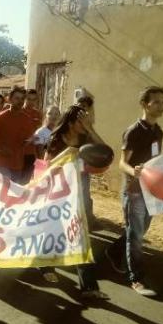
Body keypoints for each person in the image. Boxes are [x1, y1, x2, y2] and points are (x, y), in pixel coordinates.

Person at [105, 86, 163, 296]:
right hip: (134, 190)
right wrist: (134, 171)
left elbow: (156, 159)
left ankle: (113, 251)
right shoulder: (134, 131)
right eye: (156, 102)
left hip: (151, 189)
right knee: (137, 234)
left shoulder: (158, 131)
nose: (161, 106)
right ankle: (136, 278)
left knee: (139, 230)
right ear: (144, 104)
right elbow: (122, 163)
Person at [44, 104, 109, 300]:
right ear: (71, 122)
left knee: (80, 237)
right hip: (56, 194)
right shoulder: (56, 139)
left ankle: (89, 286)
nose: (85, 124)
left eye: (87, 121)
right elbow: (47, 165)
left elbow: (105, 151)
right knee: (51, 231)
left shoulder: (85, 139)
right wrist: (67, 157)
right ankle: (44, 265)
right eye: (82, 121)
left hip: (77, 196)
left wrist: (91, 129)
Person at [0, 86, 30, 183]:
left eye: (22, 99)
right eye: (17, 98)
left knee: (14, 195)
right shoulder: (1, 117)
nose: (20, 101)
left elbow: (28, 139)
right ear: (10, 99)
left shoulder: (27, 118)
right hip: (1, 164)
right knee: (3, 191)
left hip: (18, 165)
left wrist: (30, 140)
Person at [19, 89, 42, 184]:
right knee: (15, 180)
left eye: (34, 99)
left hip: (31, 153)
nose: (31, 102)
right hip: (18, 152)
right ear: (24, 99)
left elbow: (40, 133)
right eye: (29, 99)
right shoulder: (18, 112)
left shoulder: (38, 114)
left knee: (27, 181)